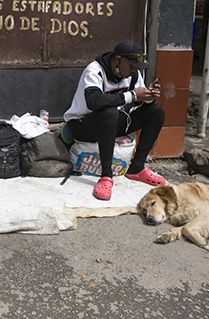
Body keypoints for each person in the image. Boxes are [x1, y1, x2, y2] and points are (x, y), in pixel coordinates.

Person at [63, 40, 166, 201]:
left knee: (156, 111)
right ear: (118, 60)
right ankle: (106, 176)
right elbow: (94, 101)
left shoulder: (134, 74)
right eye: (131, 66)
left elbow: (137, 100)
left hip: (111, 123)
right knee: (109, 112)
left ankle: (137, 167)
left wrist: (148, 96)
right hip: (83, 126)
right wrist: (132, 95)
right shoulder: (95, 70)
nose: (134, 71)